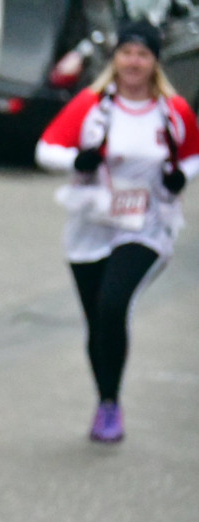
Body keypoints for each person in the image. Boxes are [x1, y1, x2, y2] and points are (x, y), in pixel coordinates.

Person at [35, 19, 199, 443]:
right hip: (93, 225)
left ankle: (110, 408)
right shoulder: (92, 105)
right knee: (97, 323)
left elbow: (194, 155)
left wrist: (181, 175)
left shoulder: (172, 111)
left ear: (155, 62)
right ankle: (107, 400)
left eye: (143, 54)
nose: (133, 62)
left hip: (146, 225)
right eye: (127, 52)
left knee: (112, 305)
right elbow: (46, 148)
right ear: (115, 58)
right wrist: (78, 162)